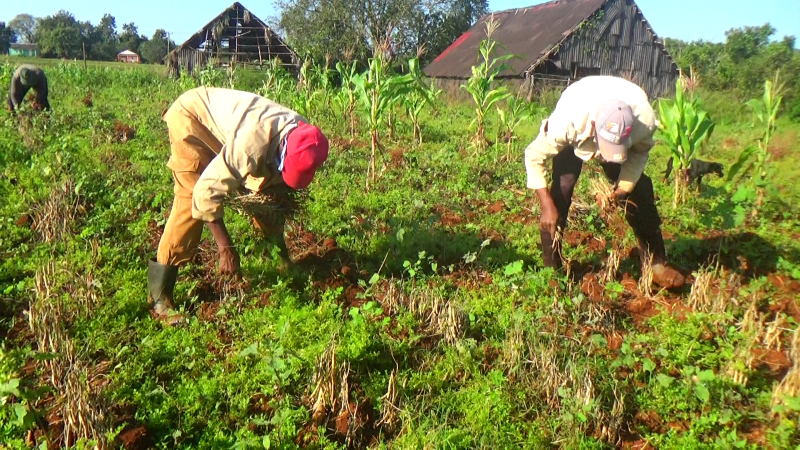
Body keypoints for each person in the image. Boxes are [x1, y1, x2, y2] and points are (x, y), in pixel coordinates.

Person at [149, 86, 329, 325]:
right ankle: (160, 298)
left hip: (228, 127)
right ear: (284, 150)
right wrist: (226, 248)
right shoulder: (251, 144)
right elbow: (206, 192)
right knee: (190, 195)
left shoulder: (306, 136)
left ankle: (281, 260)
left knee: (269, 193)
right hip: (190, 118)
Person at [523, 75, 685, 289]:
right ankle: (551, 268)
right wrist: (545, 204)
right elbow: (534, 155)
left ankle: (656, 264)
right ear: (593, 126)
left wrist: (621, 190)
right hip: (579, 113)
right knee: (561, 191)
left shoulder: (643, 123)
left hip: (619, 118)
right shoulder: (567, 123)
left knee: (641, 190)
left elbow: (637, 155)